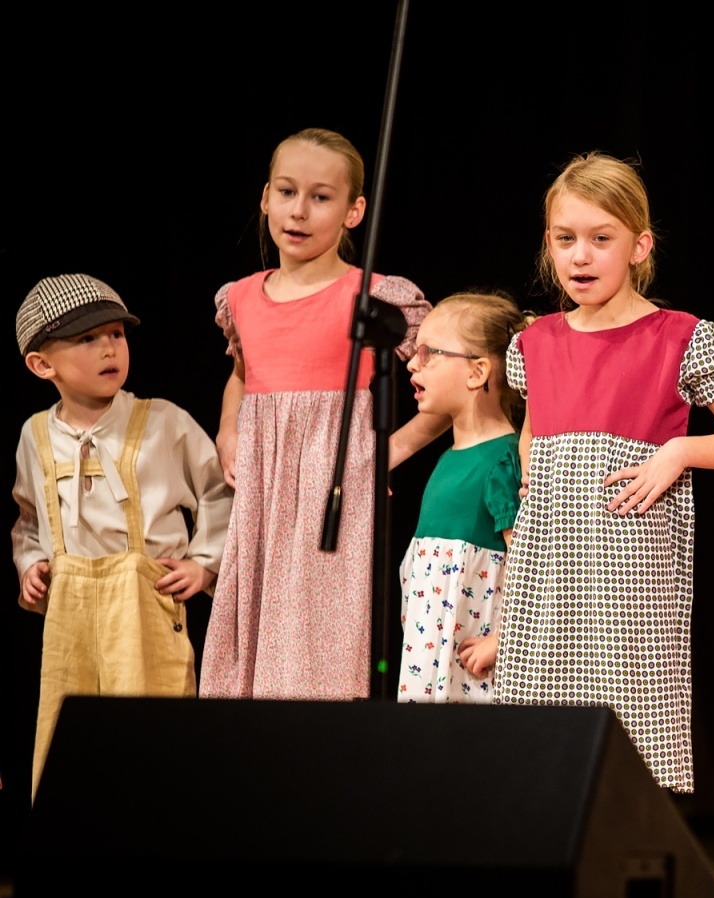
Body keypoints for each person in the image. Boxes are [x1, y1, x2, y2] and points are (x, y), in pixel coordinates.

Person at [494, 152, 714, 792]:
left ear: (639, 246)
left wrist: (680, 452)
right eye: (566, 240)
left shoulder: (678, 336)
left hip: (632, 570)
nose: (581, 256)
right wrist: (531, 492)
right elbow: (533, 430)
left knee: (629, 744)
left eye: (600, 239)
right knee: (542, 744)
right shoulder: (534, 343)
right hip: (548, 567)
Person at [202, 128, 439, 700]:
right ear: (264, 198)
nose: (299, 211)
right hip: (262, 490)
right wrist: (228, 427)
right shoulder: (240, 297)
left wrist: (386, 451)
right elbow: (241, 372)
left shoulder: (375, 298)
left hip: (333, 488)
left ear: (355, 210)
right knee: (250, 631)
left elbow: (449, 381)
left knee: (317, 636)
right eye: (286, 192)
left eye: (321, 197)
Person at [13, 274, 231, 797]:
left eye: (116, 333)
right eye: (87, 339)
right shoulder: (35, 435)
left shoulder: (162, 422)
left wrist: (204, 563)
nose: (109, 348)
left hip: (143, 607)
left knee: (152, 739)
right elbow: (27, 517)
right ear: (43, 364)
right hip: (70, 611)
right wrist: (32, 564)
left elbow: (221, 493)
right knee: (70, 741)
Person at [397, 293, 526, 703]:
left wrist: (504, 639)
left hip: (473, 674)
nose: (413, 363)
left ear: (477, 372)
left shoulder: (502, 462)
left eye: (429, 353)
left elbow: (531, 566)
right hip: (429, 659)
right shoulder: (447, 461)